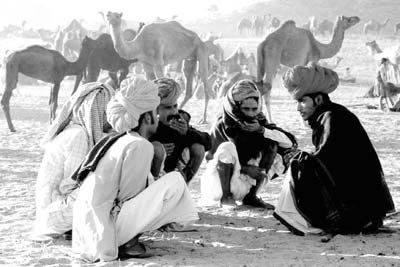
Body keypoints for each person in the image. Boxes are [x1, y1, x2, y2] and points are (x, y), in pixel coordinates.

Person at [72, 77, 199, 262]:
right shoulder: (139, 145)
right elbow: (128, 198)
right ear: (147, 117)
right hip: (102, 231)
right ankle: (129, 245)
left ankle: (128, 239)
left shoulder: (123, 139)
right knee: (175, 181)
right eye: (156, 112)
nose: (157, 117)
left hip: (89, 229)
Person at [274, 62, 395, 241]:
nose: (298, 108)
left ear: (318, 100)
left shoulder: (332, 117)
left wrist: (300, 158)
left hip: (359, 204)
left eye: (302, 101)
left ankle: (338, 220)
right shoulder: (329, 114)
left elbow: (327, 159)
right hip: (362, 202)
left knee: (299, 164)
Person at [31, 81, 115, 240]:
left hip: (58, 209)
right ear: (94, 113)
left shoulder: (75, 131)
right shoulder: (79, 136)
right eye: (105, 114)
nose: (110, 120)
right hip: (56, 214)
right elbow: (69, 187)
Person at [202, 79, 296, 208]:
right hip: (218, 185)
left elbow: (288, 143)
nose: (251, 114)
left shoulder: (259, 121)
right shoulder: (221, 126)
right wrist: (245, 169)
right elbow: (212, 160)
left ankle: (251, 197)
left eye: (254, 109)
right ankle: (226, 198)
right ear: (235, 108)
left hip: (245, 184)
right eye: (246, 109)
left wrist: (261, 129)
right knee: (226, 147)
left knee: (273, 143)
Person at [149, 77, 211, 183]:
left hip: (171, 172)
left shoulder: (178, 120)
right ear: (155, 109)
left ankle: (184, 183)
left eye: (175, 106)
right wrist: (154, 149)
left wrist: (186, 132)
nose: (173, 111)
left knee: (198, 148)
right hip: (148, 175)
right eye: (168, 108)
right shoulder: (148, 121)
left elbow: (207, 142)